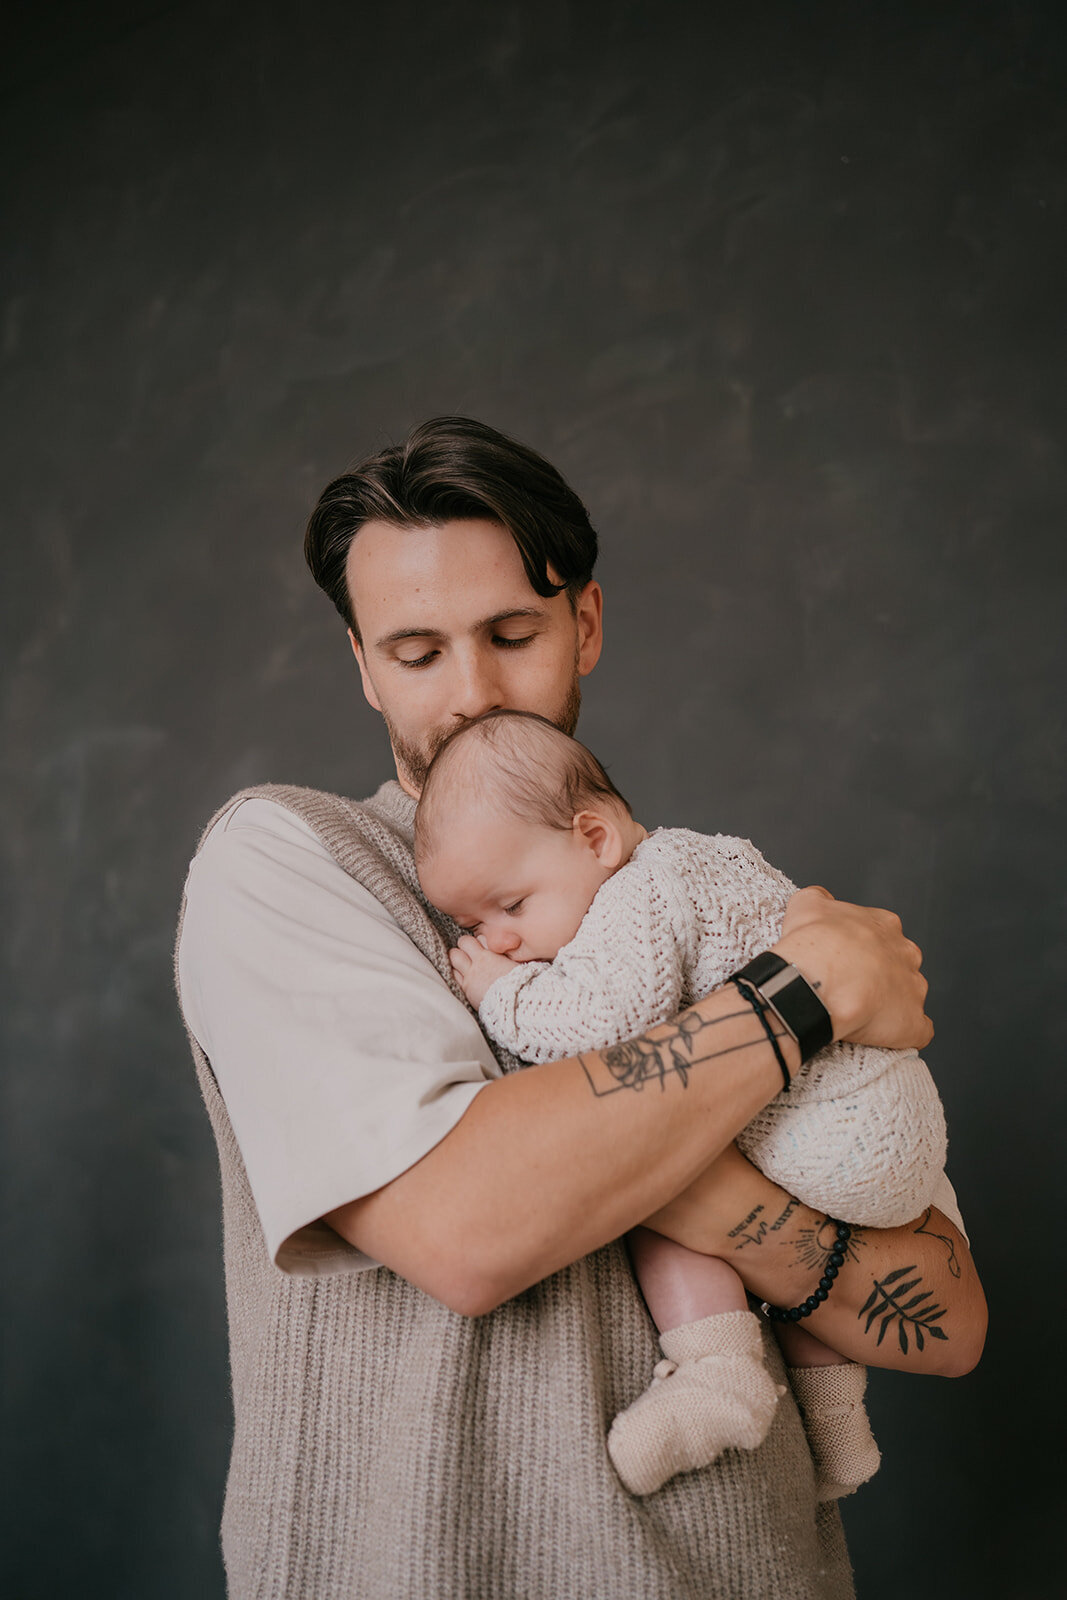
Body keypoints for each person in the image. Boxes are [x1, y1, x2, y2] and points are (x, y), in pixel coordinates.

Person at [175, 416, 987, 1600]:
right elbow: (466, 1232)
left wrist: (635, 1138)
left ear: (584, 625)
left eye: (512, 633)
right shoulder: (290, 860)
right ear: (359, 663)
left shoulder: (694, 898)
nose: (470, 694)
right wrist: (799, 997)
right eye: (415, 652)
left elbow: (948, 1318)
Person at [413, 707, 962, 1500]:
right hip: (904, 1137)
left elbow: (604, 1026)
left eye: (510, 907)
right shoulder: (711, 857)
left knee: (648, 1135)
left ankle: (718, 1373)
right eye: (473, 925)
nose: (498, 938)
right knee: (739, 1149)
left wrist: (505, 997)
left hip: (829, 1129)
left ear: (594, 838)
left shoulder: (634, 899)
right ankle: (837, 1427)